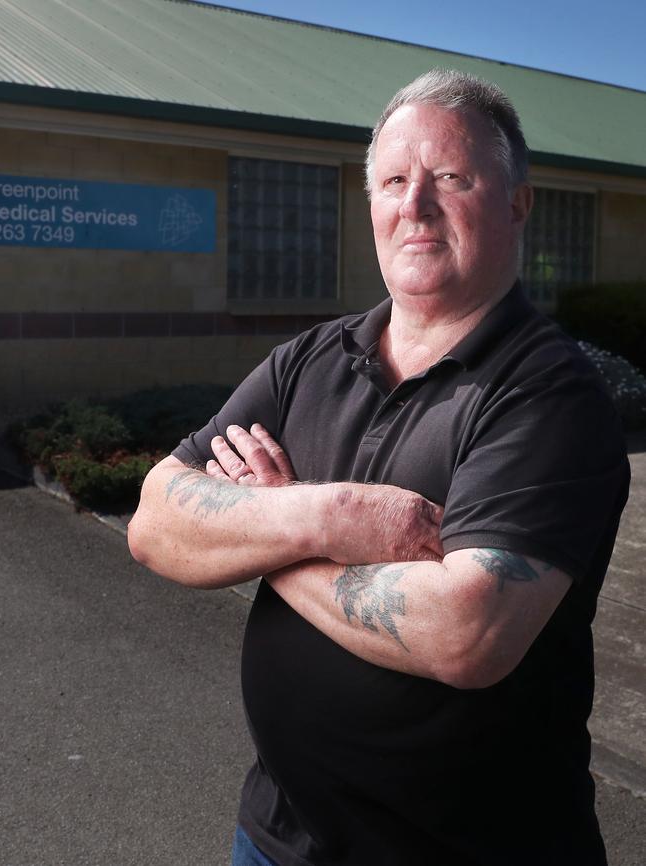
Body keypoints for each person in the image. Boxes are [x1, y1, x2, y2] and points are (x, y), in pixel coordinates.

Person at [128, 69, 630, 866]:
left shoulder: (550, 393)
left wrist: (267, 530)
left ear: (517, 203)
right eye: (395, 180)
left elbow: (467, 631)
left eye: (452, 178)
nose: (416, 205)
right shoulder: (306, 362)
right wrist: (328, 518)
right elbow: (156, 521)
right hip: (276, 836)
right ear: (371, 207)